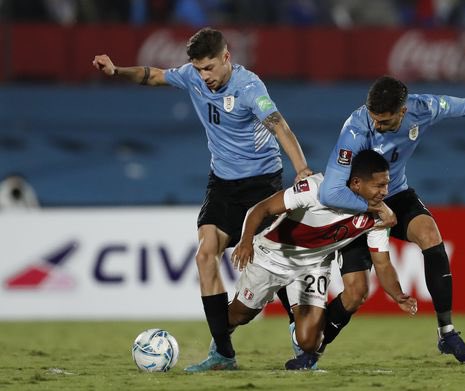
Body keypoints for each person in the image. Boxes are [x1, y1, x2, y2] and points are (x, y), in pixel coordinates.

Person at [281, 75, 465, 364]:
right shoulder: (355, 129)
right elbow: (330, 193)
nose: (376, 125)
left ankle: (447, 333)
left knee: (429, 234)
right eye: (374, 118)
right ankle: (312, 351)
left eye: (385, 121)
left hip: (395, 194)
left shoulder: (424, 108)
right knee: (355, 294)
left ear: (403, 112)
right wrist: (376, 210)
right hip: (354, 206)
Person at [92, 28, 314, 372]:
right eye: (198, 69)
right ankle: (223, 354)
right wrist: (116, 71)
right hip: (223, 184)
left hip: (262, 184)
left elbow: (279, 126)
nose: (204, 76)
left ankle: (302, 341)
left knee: (276, 265)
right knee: (205, 255)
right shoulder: (193, 78)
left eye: (209, 67)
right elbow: (153, 76)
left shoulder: (249, 87)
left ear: (227, 58)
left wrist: (301, 170)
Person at [219, 149, 417, 371]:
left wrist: (398, 295)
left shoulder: (378, 216)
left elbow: (382, 263)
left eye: (387, 184)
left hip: (313, 265)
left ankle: (296, 312)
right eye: (379, 186)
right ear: (357, 183)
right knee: (239, 315)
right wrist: (246, 241)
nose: (385, 191)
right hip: (273, 256)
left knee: (309, 342)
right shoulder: (316, 187)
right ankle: (219, 347)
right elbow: (261, 209)